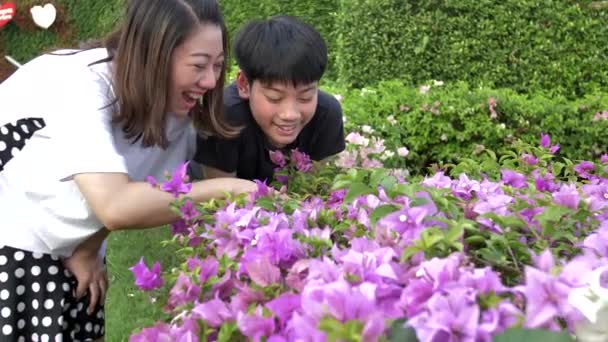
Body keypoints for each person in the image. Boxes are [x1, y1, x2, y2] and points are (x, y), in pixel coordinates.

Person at [0, 0, 256, 340]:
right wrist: (230, 188)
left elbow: (142, 191)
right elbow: (117, 204)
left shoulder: (177, 106)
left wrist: (89, 248)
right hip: (12, 241)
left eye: (218, 65)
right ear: (153, 54)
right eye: (198, 65)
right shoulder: (82, 84)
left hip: (67, 247)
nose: (210, 81)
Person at [192, 15, 346, 183]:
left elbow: (313, 188)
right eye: (274, 98)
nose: (290, 114)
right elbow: (221, 197)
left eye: (305, 97)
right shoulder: (223, 117)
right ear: (244, 85)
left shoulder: (326, 113)